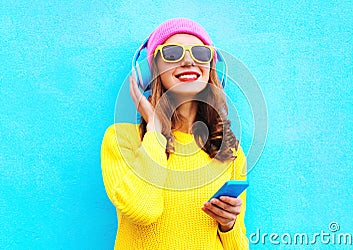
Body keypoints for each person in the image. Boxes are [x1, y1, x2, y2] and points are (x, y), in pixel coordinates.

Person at [101, 18, 249, 249]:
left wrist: (228, 225)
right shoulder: (121, 140)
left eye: (201, 53)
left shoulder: (229, 151)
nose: (189, 60)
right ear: (152, 71)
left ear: (210, 68)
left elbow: (238, 245)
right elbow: (143, 210)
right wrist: (156, 132)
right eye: (172, 53)